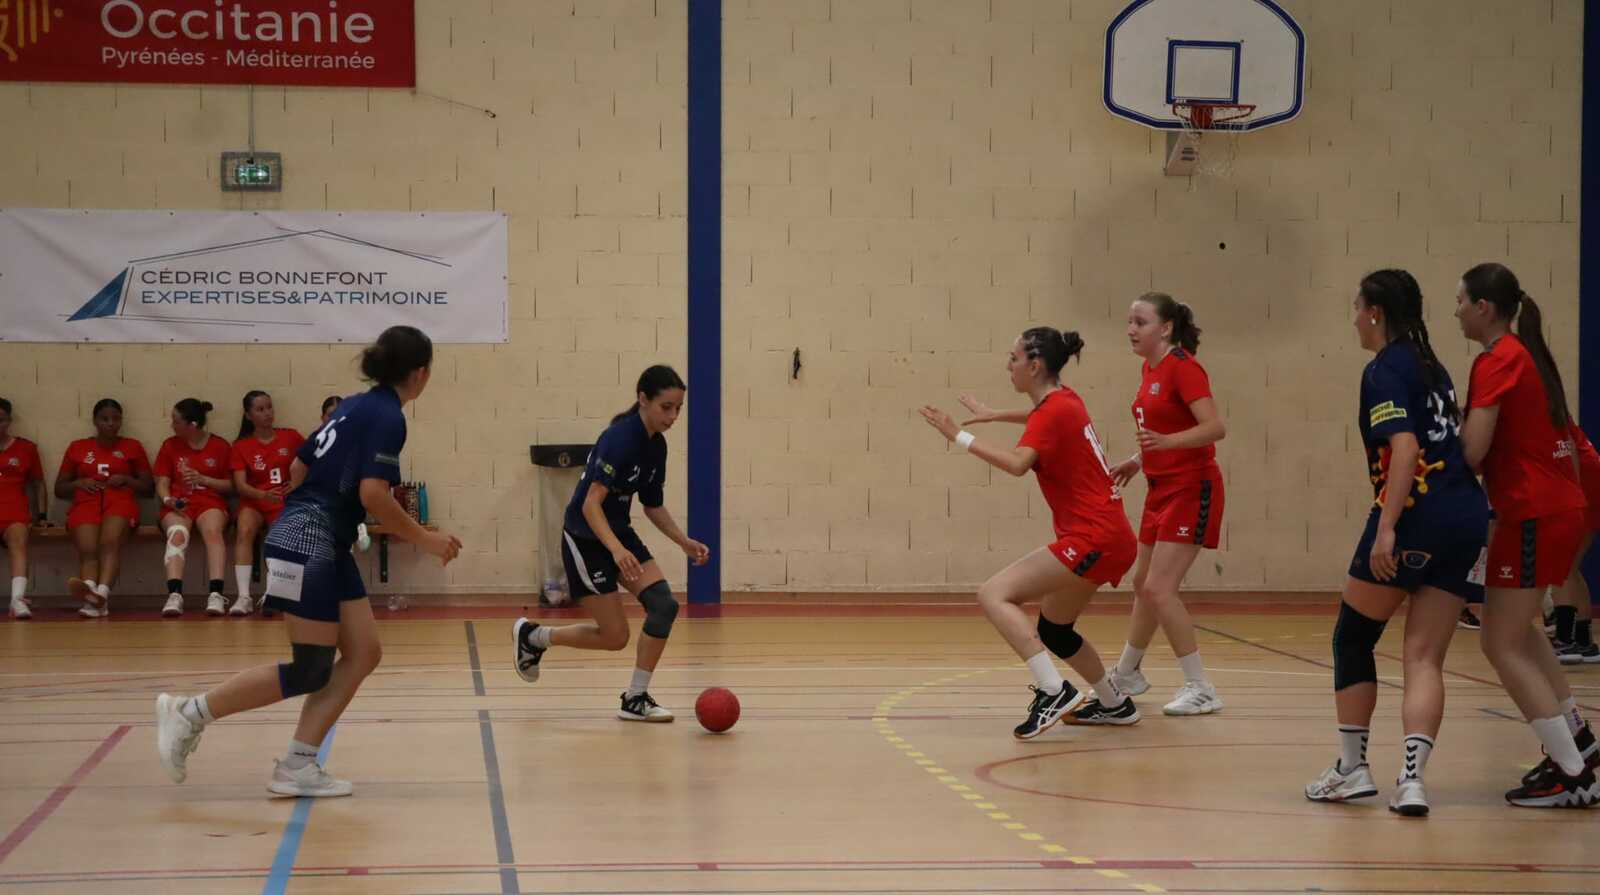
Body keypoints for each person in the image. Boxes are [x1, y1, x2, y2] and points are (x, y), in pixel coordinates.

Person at [155, 326, 461, 797]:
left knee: (363, 653)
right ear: (421, 373)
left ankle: (298, 764)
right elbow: (373, 494)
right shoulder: (387, 417)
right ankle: (189, 712)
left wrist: (313, 513)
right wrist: (426, 539)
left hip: (320, 540)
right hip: (309, 541)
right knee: (311, 668)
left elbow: (298, 467)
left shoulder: (354, 405)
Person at [1302, 270, 1488, 817]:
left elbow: (1405, 450)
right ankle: (1412, 782)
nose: (1354, 319)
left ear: (1375, 312)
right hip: (1466, 517)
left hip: (1416, 515)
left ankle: (1352, 768)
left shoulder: (1384, 369)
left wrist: (1386, 529)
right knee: (1424, 656)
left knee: (1352, 637)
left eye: (1356, 308)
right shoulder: (1432, 365)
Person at [923, 327, 1139, 738]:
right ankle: (1115, 704)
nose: (1008, 365)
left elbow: (1018, 463)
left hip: (1092, 538)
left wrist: (958, 435)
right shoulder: (1065, 400)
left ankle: (1054, 691)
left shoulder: (1053, 412)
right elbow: (1039, 417)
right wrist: (994, 415)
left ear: (1035, 365)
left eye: (1014, 358)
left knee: (993, 594)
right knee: (1055, 630)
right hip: (1111, 537)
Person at [1456, 262, 1596, 808]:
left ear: (1484, 307)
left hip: (1534, 511)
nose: (1456, 312)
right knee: (1520, 633)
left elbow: (1472, 451)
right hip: (1549, 510)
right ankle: (1579, 745)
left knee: (1498, 641)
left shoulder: (1497, 360)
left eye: (1461, 301)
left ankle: (1574, 775)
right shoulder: (1525, 355)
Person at [512, 365, 710, 723]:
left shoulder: (657, 446)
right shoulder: (619, 439)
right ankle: (535, 636)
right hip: (586, 538)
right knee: (615, 636)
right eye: (666, 407)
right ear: (643, 399)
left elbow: (652, 505)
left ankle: (635, 697)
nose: (673, 416)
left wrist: (683, 542)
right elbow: (590, 505)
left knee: (663, 605)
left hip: (618, 533)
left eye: (679, 408)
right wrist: (616, 550)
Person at [1105, 292, 1227, 715]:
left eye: (1140, 322)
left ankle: (1201, 687)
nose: (1131, 329)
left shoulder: (1183, 368)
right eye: (1129, 321)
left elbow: (1215, 427)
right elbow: (1161, 430)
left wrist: (1167, 444)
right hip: (1160, 488)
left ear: (1166, 328)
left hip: (1192, 488)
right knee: (1143, 583)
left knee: (1159, 588)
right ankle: (1127, 673)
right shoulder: (1149, 369)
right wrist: (1139, 460)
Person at [55, 399, 152, 618]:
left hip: (120, 501)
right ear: (95, 421)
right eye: (104, 419)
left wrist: (126, 479)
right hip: (86, 502)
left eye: (115, 418)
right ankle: (91, 597)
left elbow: (148, 488)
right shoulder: (78, 447)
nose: (110, 423)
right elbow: (59, 489)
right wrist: (79, 483)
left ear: (121, 421)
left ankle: (102, 595)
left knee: (109, 543)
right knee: (88, 548)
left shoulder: (132, 446)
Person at [154, 399, 234, 617]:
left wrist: (204, 479)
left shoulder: (220, 446)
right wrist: (168, 499)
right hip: (179, 503)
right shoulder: (169, 446)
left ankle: (216, 594)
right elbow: (161, 482)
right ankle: (175, 594)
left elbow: (231, 485)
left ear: (192, 425)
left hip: (210, 501)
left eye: (176, 421)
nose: (172, 425)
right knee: (177, 533)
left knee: (212, 531)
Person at [229, 390, 305, 616]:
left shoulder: (291, 437)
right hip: (254, 500)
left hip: (283, 502)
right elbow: (240, 485)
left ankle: (274, 592)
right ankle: (244, 597)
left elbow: (310, 462)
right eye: (260, 409)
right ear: (248, 415)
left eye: (269, 407)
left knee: (278, 536)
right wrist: (262, 495)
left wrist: (297, 482)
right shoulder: (241, 446)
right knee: (244, 529)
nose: (267, 413)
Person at [1549, 416, 1599, 664]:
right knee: (1571, 567)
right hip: (1591, 485)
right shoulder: (1557, 414)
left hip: (1585, 488)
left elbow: (1567, 457)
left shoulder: (1546, 416)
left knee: (1562, 567)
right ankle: (1583, 640)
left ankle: (1565, 640)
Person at [0, 399, 46, 619]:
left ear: (9, 420)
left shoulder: (26, 448)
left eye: (0, 420)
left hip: (14, 510)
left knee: (18, 542)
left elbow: (38, 483)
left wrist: (42, 515)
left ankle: (17, 600)